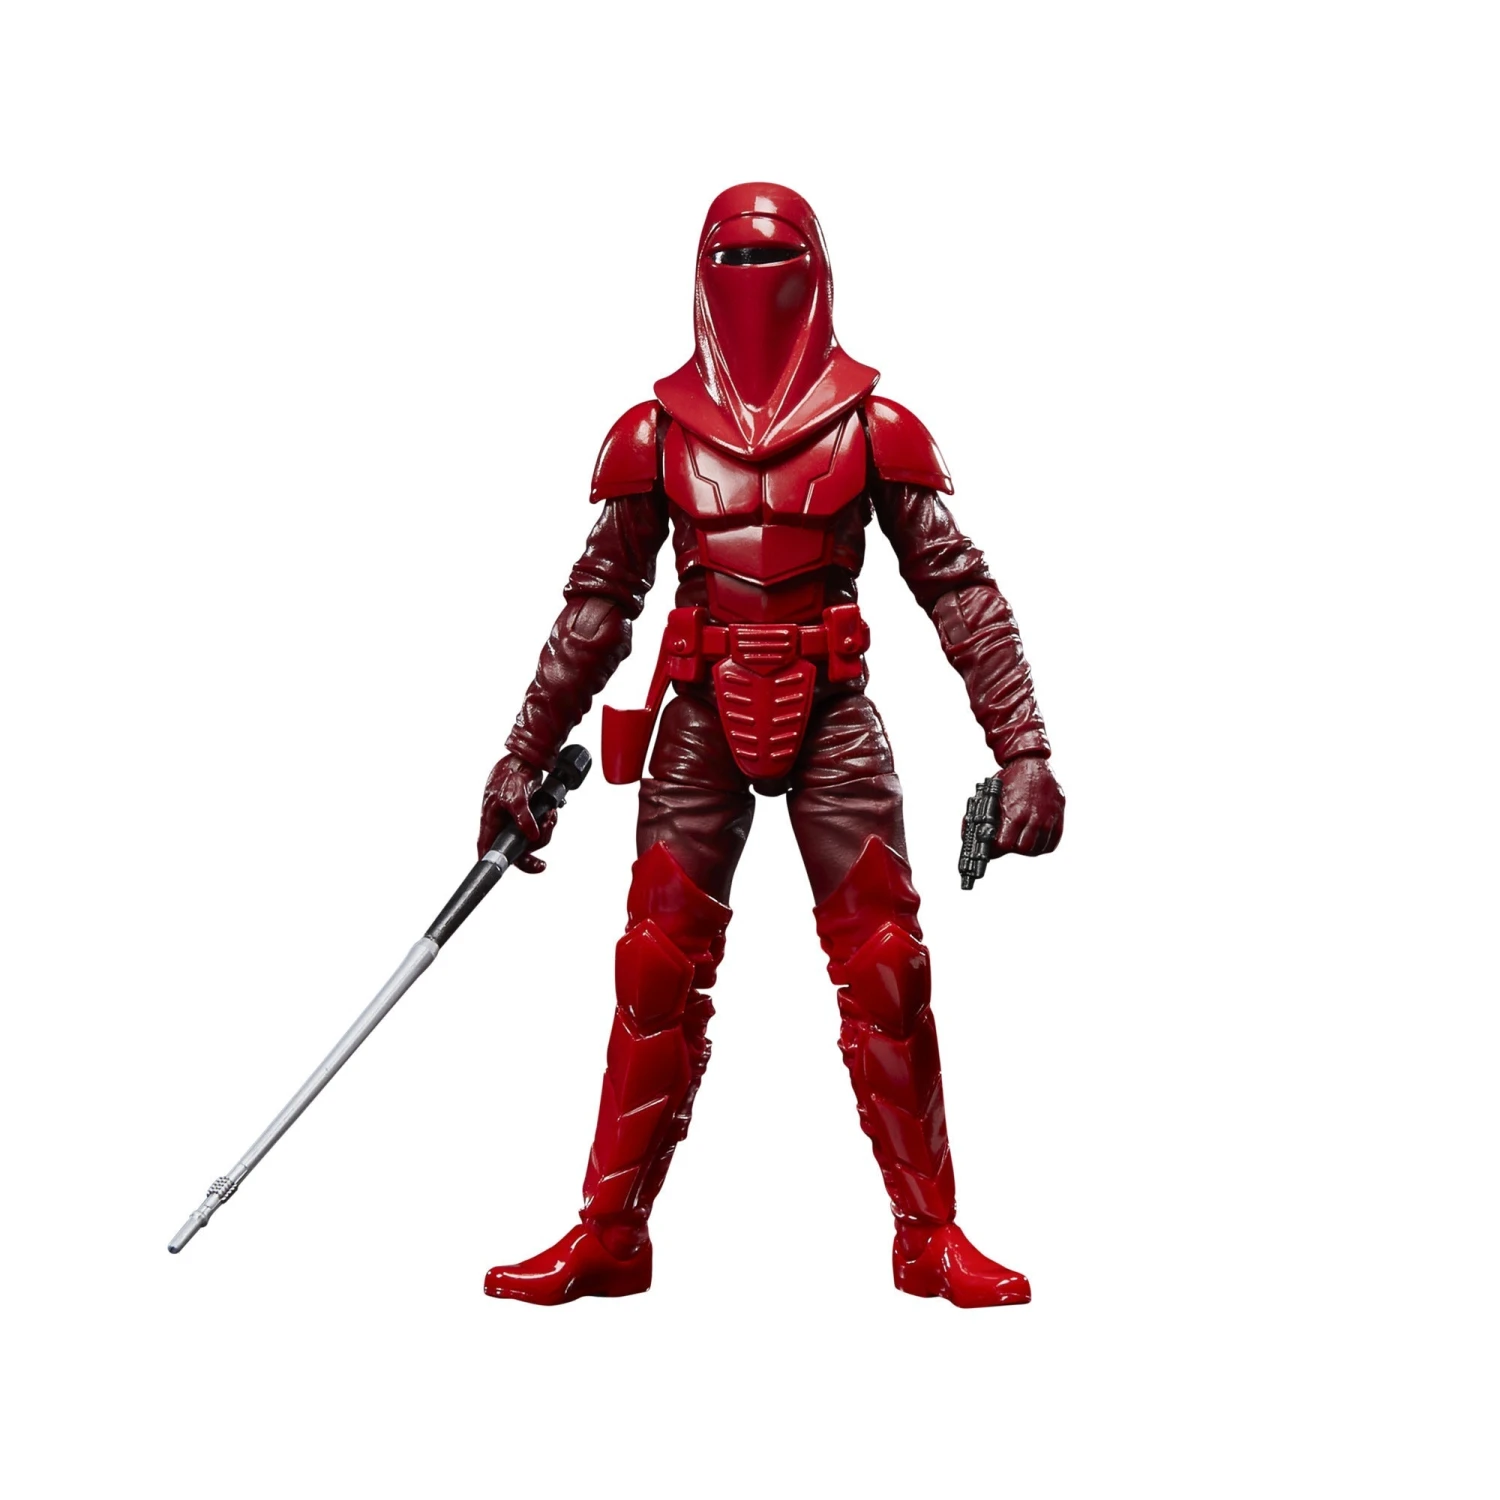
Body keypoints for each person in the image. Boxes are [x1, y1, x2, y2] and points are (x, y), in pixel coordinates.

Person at [478, 183, 1064, 1307]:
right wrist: (523, 749)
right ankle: (611, 1233)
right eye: (734, 260)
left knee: (887, 965)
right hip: (700, 711)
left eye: (773, 258)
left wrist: (1023, 747)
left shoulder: (874, 426)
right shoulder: (655, 433)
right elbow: (598, 604)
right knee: (655, 965)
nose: (753, 281)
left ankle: (928, 1235)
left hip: (832, 708)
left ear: (816, 271)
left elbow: (959, 591)